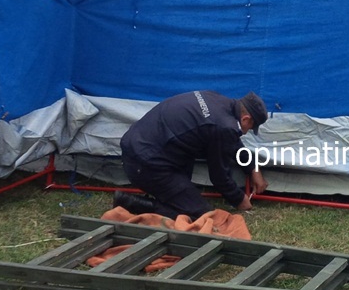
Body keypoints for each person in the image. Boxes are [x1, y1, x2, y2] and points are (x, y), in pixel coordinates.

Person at [114, 90, 269, 219]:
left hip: (140, 146)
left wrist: (253, 167)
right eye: (250, 128)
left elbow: (230, 141)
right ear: (246, 119)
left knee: (186, 194)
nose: (246, 132)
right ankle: (131, 204)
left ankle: (171, 196)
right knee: (200, 215)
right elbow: (219, 177)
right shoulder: (224, 126)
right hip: (144, 163)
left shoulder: (216, 99)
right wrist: (240, 200)